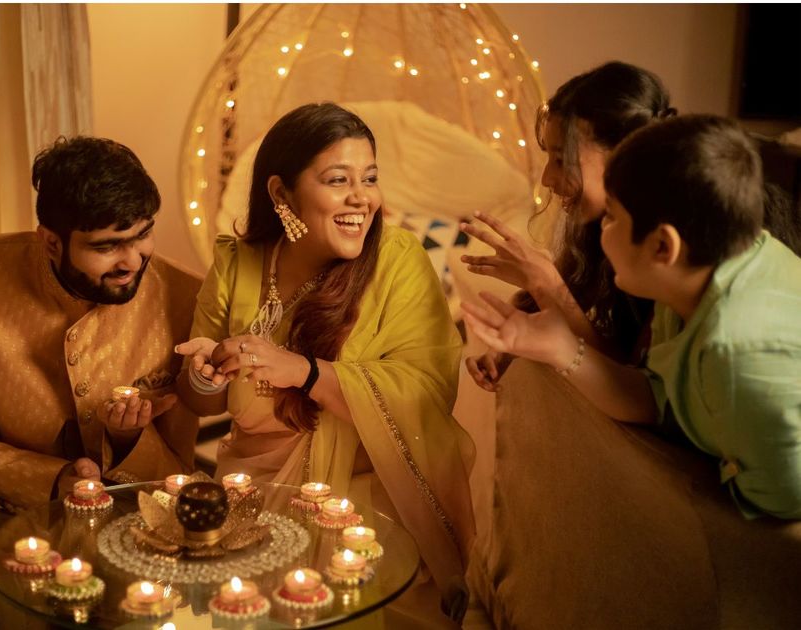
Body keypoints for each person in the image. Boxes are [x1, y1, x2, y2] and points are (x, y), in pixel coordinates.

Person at [175, 102, 475, 627]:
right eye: (338, 179)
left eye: (371, 178)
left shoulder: (398, 261)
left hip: (364, 505)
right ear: (280, 193)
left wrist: (305, 372)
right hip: (247, 495)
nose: (362, 197)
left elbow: (426, 391)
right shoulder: (236, 262)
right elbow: (203, 399)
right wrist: (202, 375)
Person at [0, 136, 203, 628]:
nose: (132, 260)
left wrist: (128, 438)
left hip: (136, 502)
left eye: (141, 235)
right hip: (2, 502)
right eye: (107, 246)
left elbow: (176, 470)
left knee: (141, 587)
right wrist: (56, 481)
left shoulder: (182, 296)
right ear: (51, 241)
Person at [463, 114, 801, 519]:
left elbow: (781, 511)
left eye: (611, 217)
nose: (600, 230)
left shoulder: (740, 352)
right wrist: (561, 346)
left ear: (663, 246)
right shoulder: (688, 282)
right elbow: (657, 398)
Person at [461, 61, 675, 392]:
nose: (547, 179)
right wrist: (511, 342)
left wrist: (545, 284)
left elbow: (634, 385)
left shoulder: (668, 247)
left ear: (624, 155)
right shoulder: (598, 231)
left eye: (562, 160)